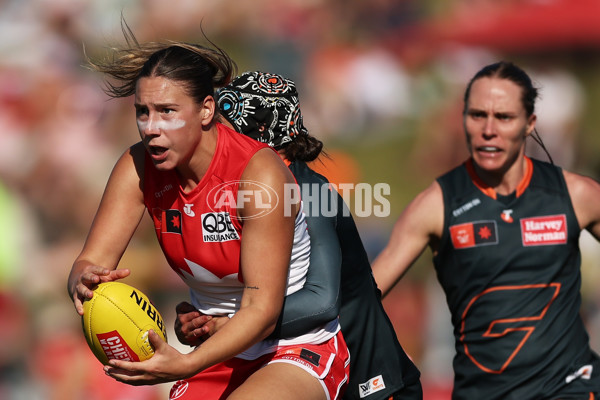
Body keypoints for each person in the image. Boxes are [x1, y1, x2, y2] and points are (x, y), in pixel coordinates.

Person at [66, 25, 349, 400]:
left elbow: (261, 310)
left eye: (167, 112)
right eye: (143, 112)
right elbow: (89, 261)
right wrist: (81, 281)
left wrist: (184, 363)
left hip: (292, 347)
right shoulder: (136, 167)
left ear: (206, 110)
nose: (151, 128)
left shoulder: (258, 174)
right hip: (216, 353)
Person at [173, 71, 422, 399]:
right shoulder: (242, 190)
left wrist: (231, 324)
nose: (213, 138)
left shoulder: (307, 191)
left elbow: (322, 301)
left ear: (257, 132)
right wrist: (198, 318)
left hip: (368, 379)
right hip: (288, 365)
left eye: (223, 126)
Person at [371, 61, 600, 399]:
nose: (488, 130)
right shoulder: (436, 205)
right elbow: (363, 296)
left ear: (529, 124)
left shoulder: (577, 195)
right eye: (477, 115)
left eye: (504, 117)